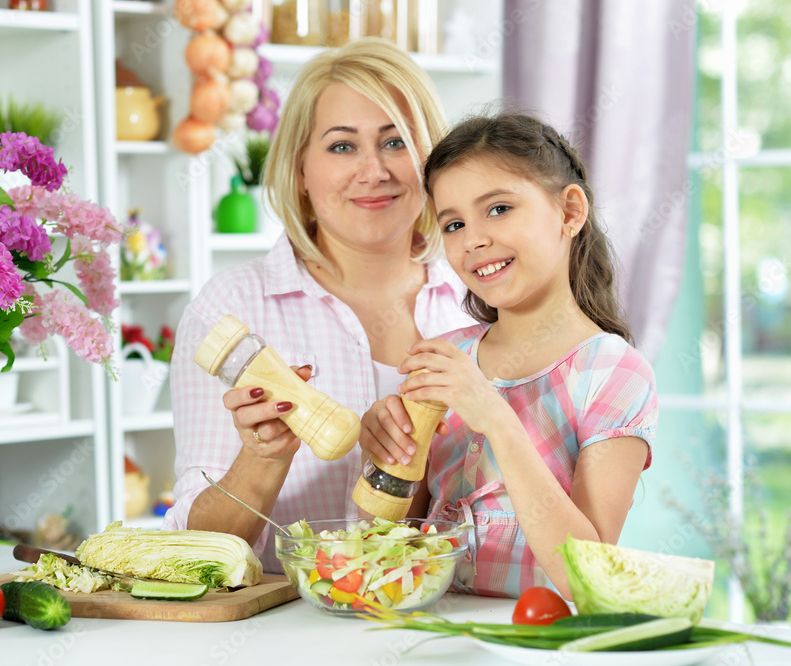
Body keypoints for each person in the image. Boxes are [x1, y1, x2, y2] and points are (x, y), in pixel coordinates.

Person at [163, 38, 475, 572]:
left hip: (439, 623)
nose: (373, 171)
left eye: (396, 141)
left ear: (432, 161)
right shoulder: (233, 308)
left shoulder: (478, 303)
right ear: (301, 170)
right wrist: (263, 458)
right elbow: (197, 557)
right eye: (341, 146)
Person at [363, 112, 657, 599]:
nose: (474, 239)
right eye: (454, 224)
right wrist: (389, 460)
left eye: (498, 209)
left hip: (540, 640)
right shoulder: (446, 358)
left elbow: (590, 579)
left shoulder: (614, 373)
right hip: (430, 631)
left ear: (569, 212)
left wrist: (495, 419)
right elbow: (381, 546)